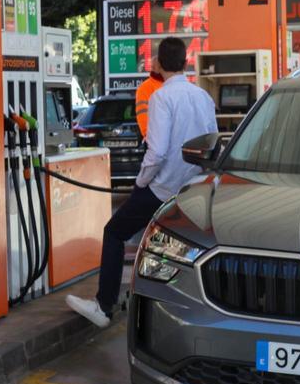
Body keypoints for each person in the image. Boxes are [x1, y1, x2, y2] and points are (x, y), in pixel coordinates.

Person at [67, 37, 217, 328]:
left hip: (162, 188)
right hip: (193, 190)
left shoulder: (161, 97)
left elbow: (157, 150)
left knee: (114, 233)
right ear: (185, 62)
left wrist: (142, 182)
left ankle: (103, 306)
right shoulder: (202, 97)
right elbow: (211, 143)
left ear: (158, 64)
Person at [134, 57, 164, 139]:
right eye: (161, 66)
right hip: (155, 138)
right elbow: (142, 112)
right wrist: (147, 134)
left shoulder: (170, 84)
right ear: (154, 68)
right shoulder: (145, 88)